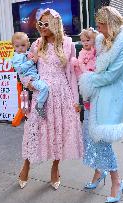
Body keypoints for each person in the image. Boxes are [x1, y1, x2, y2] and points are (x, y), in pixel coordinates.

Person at [18, 8, 83, 190]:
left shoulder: (68, 44)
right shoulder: (37, 44)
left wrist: (75, 101)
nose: (42, 27)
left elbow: (71, 76)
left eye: (46, 23)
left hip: (63, 95)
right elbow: (25, 69)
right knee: (34, 131)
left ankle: (55, 168)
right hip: (42, 96)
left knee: (59, 133)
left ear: (55, 24)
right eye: (40, 24)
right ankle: (26, 165)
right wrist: (29, 83)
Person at [79, 6, 123, 203]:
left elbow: (111, 75)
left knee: (102, 142)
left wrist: (87, 80)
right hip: (95, 96)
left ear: (110, 24)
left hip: (110, 98)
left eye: (101, 25)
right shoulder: (102, 41)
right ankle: (98, 173)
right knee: (90, 138)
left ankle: (117, 182)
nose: (98, 29)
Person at [11, 32, 48, 118]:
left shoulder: (27, 53)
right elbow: (19, 69)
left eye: (23, 45)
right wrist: (31, 61)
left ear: (28, 44)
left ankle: (36, 106)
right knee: (44, 87)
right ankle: (39, 105)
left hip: (33, 77)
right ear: (13, 46)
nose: (20, 48)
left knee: (39, 90)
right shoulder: (17, 57)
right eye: (17, 46)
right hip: (29, 79)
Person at [71, 27, 98, 110]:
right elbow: (81, 63)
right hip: (84, 75)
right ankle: (86, 101)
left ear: (93, 40)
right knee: (86, 92)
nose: (85, 43)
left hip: (94, 76)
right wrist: (85, 72)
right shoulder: (82, 52)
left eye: (88, 40)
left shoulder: (95, 51)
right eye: (83, 41)